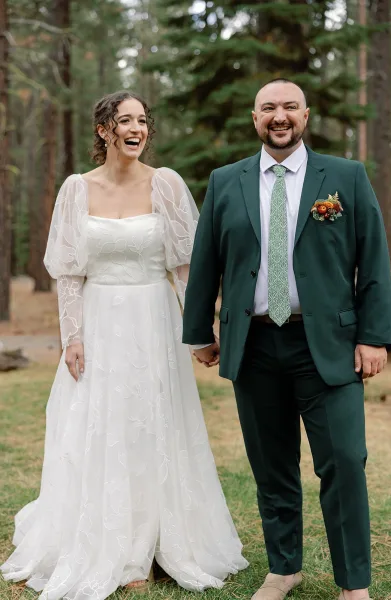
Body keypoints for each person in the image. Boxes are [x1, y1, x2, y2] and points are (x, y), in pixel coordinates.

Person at [1, 91, 248, 600]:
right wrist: (72, 337)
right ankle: (113, 544)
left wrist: (199, 329)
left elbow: (185, 267)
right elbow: (69, 273)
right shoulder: (75, 189)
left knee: (153, 423)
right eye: (125, 120)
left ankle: (156, 543)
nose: (136, 128)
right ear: (104, 130)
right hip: (99, 320)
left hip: (154, 320)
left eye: (142, 120)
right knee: (101, 425)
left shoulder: (167, 185)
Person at [182, 79, 391, 600]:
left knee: (344, 460)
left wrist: (372, 336)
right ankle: (284, 567)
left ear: (306, 115)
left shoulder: (344, 176)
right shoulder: (226, 181)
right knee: (271, 464)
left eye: (289, 107)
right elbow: (206, 261)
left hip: (329, 345)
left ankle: (354, 583)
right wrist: (198, 333)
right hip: (253, 346)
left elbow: (374, 261)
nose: (280, 116)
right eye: (268, 108)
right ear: (255, 118)